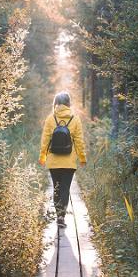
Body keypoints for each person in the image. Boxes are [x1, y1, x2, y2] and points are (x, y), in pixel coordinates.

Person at [39, 91, 86, 228]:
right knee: (65, 188)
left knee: (56, 188)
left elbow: (45, 140)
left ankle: (58, 215)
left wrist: (42, 156)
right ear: (68, 103)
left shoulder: (50, 118)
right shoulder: (75, 119)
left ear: (56, 103)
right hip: (69, 162)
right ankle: (61, 217)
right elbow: (79, 141)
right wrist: (82, 158)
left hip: (53, 161)